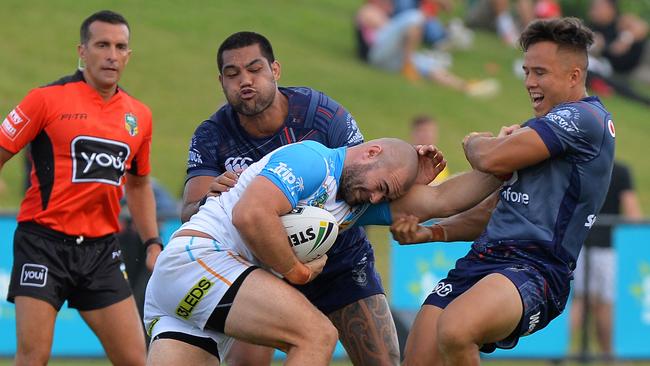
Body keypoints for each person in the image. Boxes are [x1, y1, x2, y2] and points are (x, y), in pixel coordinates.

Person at [146, 137, 502, 365]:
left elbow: (442, 199)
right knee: (317, 335)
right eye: (380, 186)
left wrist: (506, 158)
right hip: (199, 259)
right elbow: (250, 214)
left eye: (386, 195)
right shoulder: (314, 159)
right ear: (371, 152)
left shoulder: (359, 200)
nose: (377, 198)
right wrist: (297, 272)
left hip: (185, 292)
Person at [390, 17, 615, 365]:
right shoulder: (535, 131)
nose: (529, 82)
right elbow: (489, 208)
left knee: (456, 328)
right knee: (418, 356)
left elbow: (490, 157)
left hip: (535, 269)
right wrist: (431, 231)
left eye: (540, 72)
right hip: (483, 260)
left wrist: (476, 142)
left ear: (574, 75)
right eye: (526, 71)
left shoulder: (585, 119)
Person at [181, 30, 399, 366]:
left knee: (383, 361)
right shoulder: (212, 134)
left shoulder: (322, 115)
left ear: (275, 70)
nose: (245, 81)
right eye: (233, 74)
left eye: (255, 69)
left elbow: (363, 180)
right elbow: (190, 212)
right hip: (261, 266)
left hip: (339, 259)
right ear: (221, 81)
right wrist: (210, 200)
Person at [0, 10, 163, 365]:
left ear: (128, 55)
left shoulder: (139, 116)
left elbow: (138, 184)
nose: (111, 54)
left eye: (120, 47)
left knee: (138, 360)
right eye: (102, 45)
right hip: (42, 244)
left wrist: (152, 243)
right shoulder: (45, 100)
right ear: (82, 51)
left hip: (102, 251)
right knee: (33, 357)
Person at [570, 160, 643, 358]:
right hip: (607, 250)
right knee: (603, 305)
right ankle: (608, 355)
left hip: (577, 246)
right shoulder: (619, 171)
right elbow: (632, 213)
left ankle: (558, 353)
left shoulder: (580, 167)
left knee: (578, 301)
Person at [355, 0, 499, 97]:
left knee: (430, 66)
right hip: (376, 55)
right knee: (414, 17)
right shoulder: (368, 12)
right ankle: (409, 63)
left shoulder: (386, 16)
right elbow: (393, 31)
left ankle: (465, 87)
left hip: (391, 58)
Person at [587, 0, 650, 84]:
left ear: (610, 9)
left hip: (624, 68)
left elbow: (643, 27)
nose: (593, 11)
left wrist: (626, 38)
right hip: (605, 65)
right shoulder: (595, 25)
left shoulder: (621, 21)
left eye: (598, 7)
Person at [410, 114, 449, 182]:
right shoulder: (407, 160)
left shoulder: (439, 161)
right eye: (423, 131)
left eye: (431, 131)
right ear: (414, 134)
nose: (428, 135)